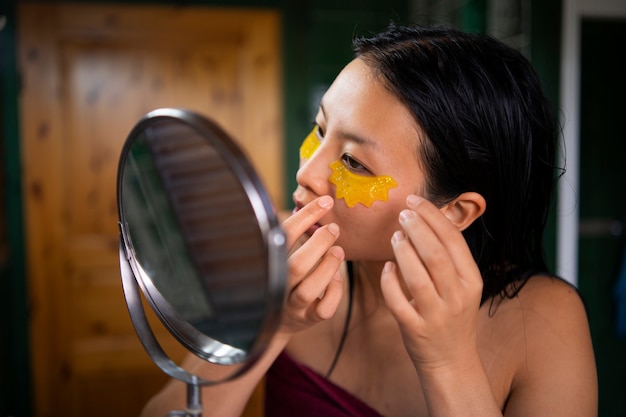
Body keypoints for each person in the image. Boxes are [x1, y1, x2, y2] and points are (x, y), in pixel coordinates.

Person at [141, 24, 598, 417]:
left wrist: (449, 364)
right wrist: (270, 322)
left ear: (455, 210)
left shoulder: (544, 321)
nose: (306, 172)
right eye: (320, 130)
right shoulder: (280, 256)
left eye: (354, 163)